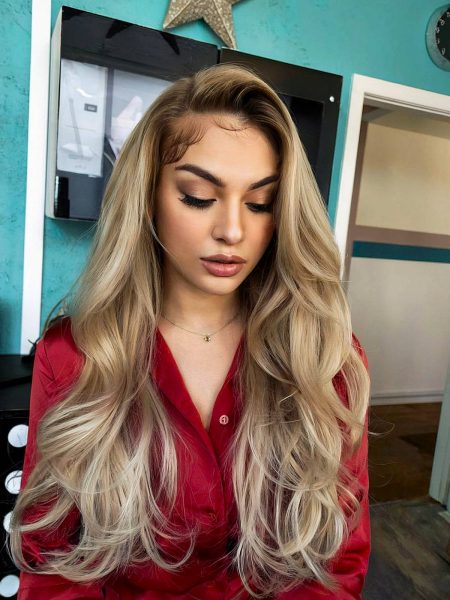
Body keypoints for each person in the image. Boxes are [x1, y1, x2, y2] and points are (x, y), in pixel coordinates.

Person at [10, 63, 371, 599]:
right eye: (199, 197)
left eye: (261, 203)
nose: (233, 230)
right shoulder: (74, 355)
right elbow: (52, 561)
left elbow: (337, 562)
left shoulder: (323, 359)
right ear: (148, 197)